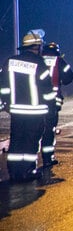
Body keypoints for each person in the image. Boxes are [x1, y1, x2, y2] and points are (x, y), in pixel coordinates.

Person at [0, 31, 56, 181]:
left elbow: (3, 87)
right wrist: (52, 108)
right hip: (35, 112)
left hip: (16, 111)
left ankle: (14, 172)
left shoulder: (10, 62)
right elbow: (47, 91)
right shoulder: (40, 64)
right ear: (37, 47)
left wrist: (7, 103)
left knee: (17, 141)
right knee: (31, 141)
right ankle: (28, 171)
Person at [40, 41, 73, 167]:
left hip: (36, 102)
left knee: (34, 131)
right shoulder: (59, 61)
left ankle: (28, 164)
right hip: (52, 102)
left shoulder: (37, 60)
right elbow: (69, 77)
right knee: (49, 130)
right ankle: (47, 158)